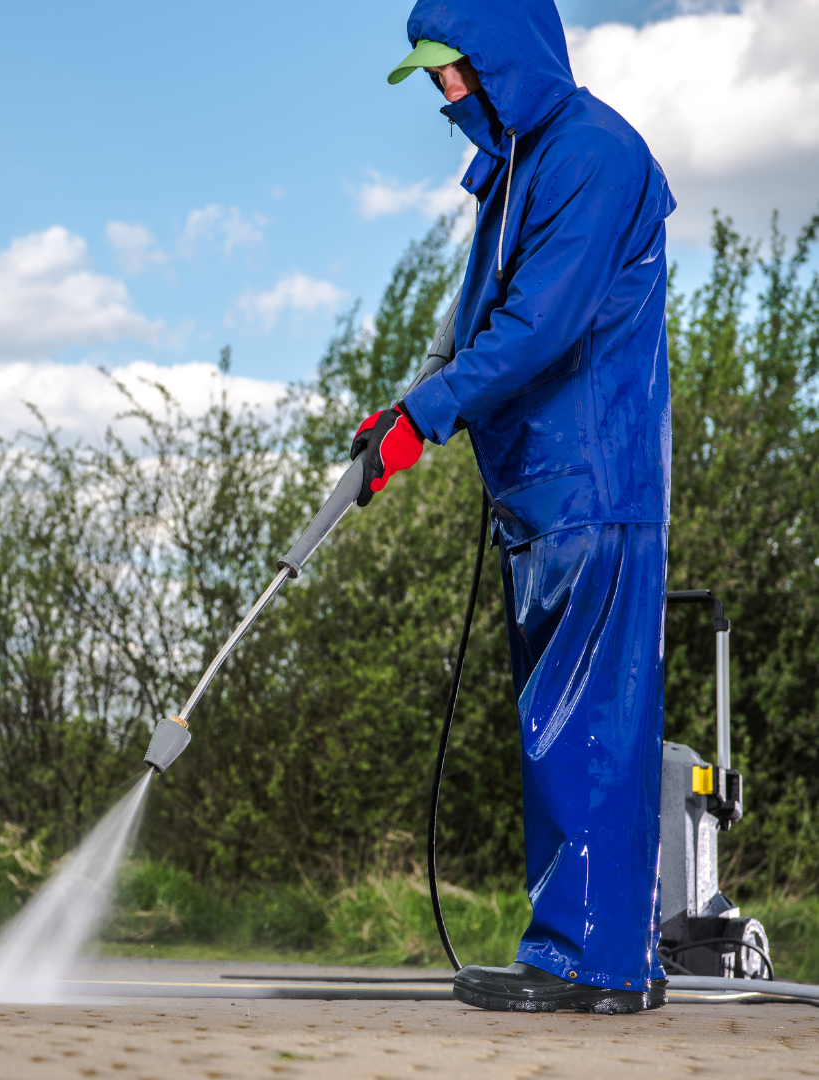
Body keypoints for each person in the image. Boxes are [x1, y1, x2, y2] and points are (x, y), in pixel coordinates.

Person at [351, 0, 677, 1014]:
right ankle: (611, 955)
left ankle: (590, 962)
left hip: (592, 478)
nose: (448, 95)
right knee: (565, 724)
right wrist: (407, 411)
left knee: (587, 726)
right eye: (436, 77)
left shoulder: (590, 154)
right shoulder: (523, 166)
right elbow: (478, 330)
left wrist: (425, 417)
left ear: (506, 58)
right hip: (546, 490)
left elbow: (538, 326)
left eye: (456, 70)